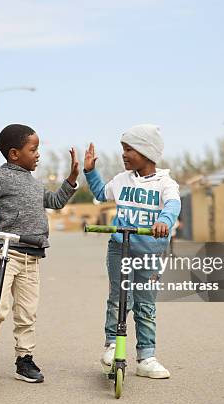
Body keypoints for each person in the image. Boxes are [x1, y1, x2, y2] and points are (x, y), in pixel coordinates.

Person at [0, 124, 79, 383]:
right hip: (6, 253)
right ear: (14, 154)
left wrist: (71, 179)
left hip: (32, 255)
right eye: (33, 149)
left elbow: (55, 202)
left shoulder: (33, 183)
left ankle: (24, 360)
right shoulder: (1, 177)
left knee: (27, 312)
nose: (38, 154)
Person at [83, 124, 181, 379]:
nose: (123, 154)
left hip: (150, 251)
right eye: (122, 149)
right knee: (118, 299)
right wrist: (90, 171)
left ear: (147, 151)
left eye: (129, 149)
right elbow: (100, 193)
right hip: (120, 249)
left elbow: (172, 205)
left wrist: (164, 222)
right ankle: (113, 346)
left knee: (145, 305)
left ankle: (146, 357)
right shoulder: (121, 179)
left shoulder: (165, 183)